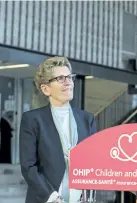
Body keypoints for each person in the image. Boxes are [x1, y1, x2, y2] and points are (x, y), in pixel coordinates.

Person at [19, 56, 97, 203]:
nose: (68, 82)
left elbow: (94, 161)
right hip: (47, 199)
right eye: (61, 78)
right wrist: (52, 197)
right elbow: (29, 167)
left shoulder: (87, 119)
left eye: (69, 77)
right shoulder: (33, 120)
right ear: (46, 89)